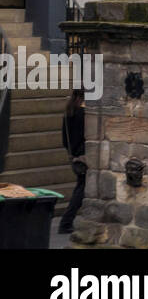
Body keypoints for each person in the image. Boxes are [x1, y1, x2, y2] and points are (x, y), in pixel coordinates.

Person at [57, 90, 87, 235]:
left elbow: (64, 139)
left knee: (80, 188)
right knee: (81, 190)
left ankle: (66, 222)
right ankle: (66, 222)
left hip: (74, 156)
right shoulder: (83, 114)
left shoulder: (69, 111)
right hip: (84, 156)